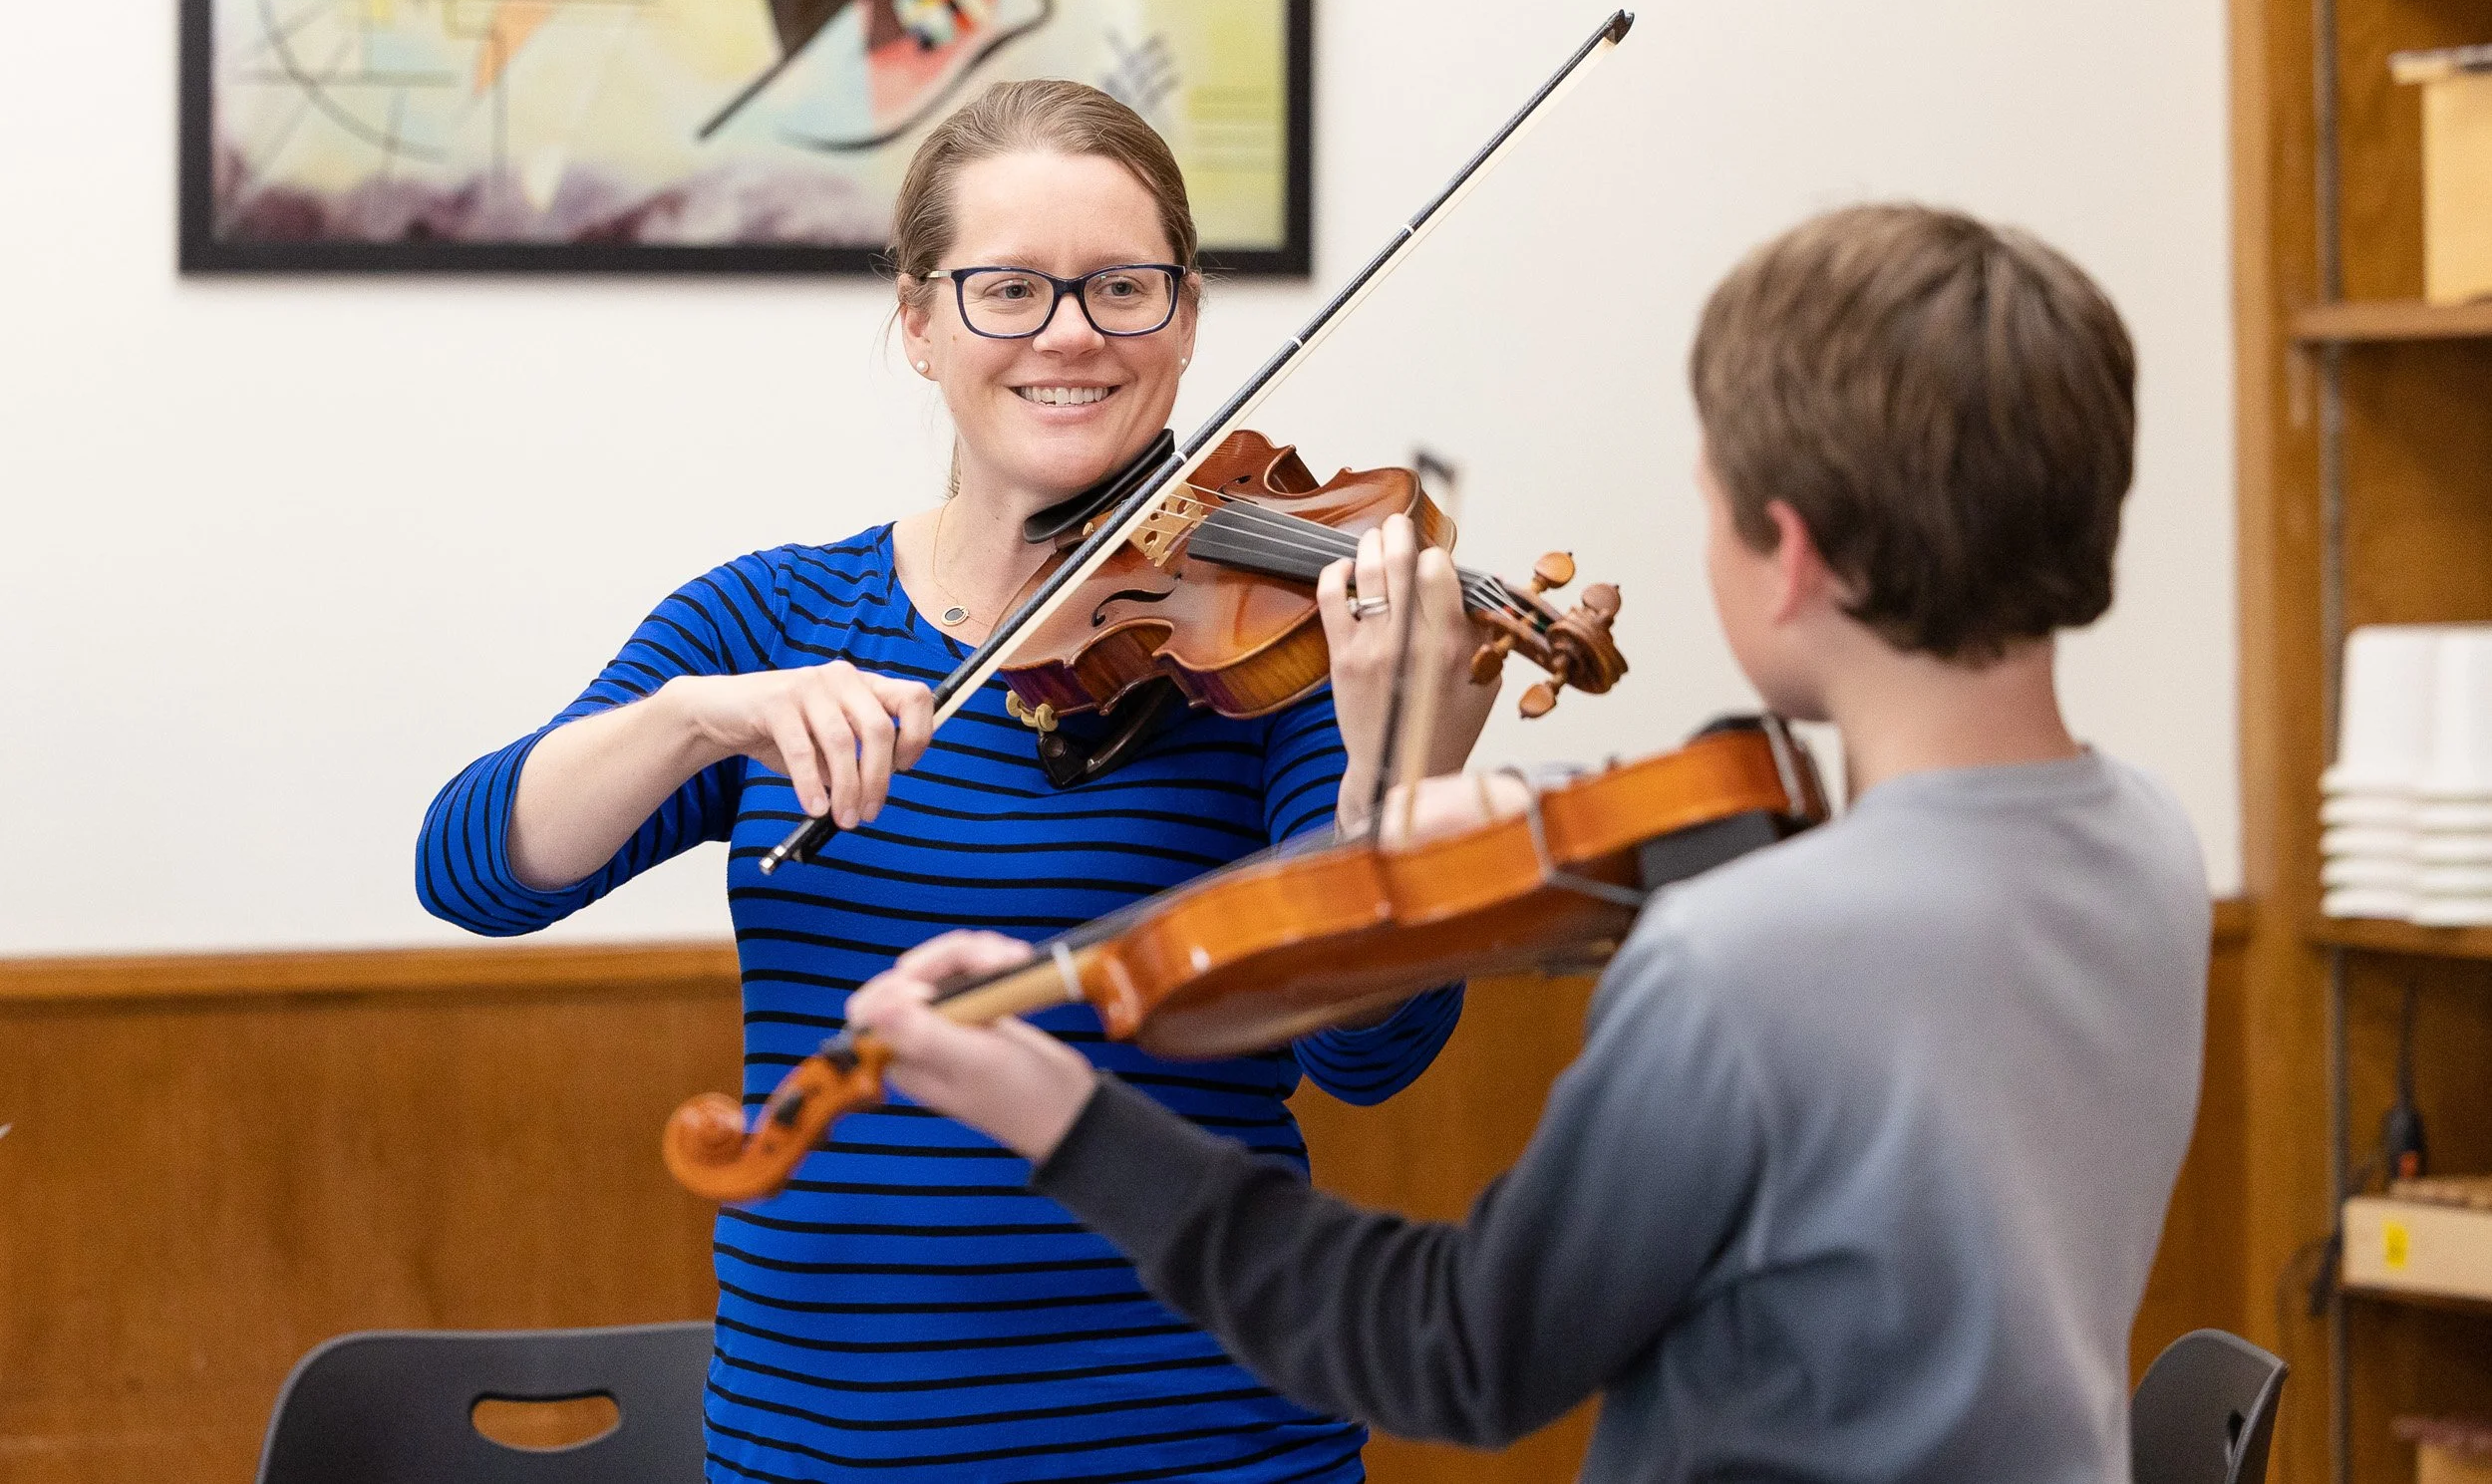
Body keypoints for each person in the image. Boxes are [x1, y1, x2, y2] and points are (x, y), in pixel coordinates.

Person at [845, 204, 2214, 1483]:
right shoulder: (2143, 845)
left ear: (1787, 556)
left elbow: (1451, 1348)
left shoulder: (1743, 967)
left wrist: (1060, 1113)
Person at [415, 80, 1498, 1484]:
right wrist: (692, 720)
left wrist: (1395, 776)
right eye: (1009, 290)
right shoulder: (771, 622)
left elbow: (1367, 1058)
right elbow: (474, 871)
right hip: (828, 1452)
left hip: (1204, 1449)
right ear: (919, 323)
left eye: (1124, 287)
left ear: (1184, 319)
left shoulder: (1268, 657)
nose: (1071, 335)